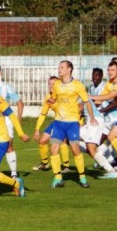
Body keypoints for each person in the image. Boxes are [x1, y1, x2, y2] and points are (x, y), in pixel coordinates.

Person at [47, 60, 97, 189]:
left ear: (69, 69)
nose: (59, 69)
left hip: (72, 123)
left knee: (75, 150)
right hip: (58, 122)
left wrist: (91, 117)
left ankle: (82, 177)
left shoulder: (77, 85)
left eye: (62, 67)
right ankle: (58, 178)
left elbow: (87, 102)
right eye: (59, 67)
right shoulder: (57, 84)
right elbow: (55, 97)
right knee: (53, 149)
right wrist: (52, 100)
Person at [80, 68, 117, 179]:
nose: (94, 77)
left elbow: (113, 103)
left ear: (101, 76)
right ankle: (107, 161)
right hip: (95, 120)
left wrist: (99, 111)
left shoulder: (103, 88)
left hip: (107, 119)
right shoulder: (92, 88)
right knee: (72, 140)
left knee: (95, 145)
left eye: (97, 75)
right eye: (93, 75)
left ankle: (113, 166)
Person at [32, 75, 71, 173]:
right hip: (57, 121)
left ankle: (66, 166)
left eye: (53, 84)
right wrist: (37, 129)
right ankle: (45, 164)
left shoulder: (63, 94)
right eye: (49, 84)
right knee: (42, 141)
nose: (51, 86)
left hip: (69, 121)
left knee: (62, 141)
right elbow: (43, 114)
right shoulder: (48, 97)